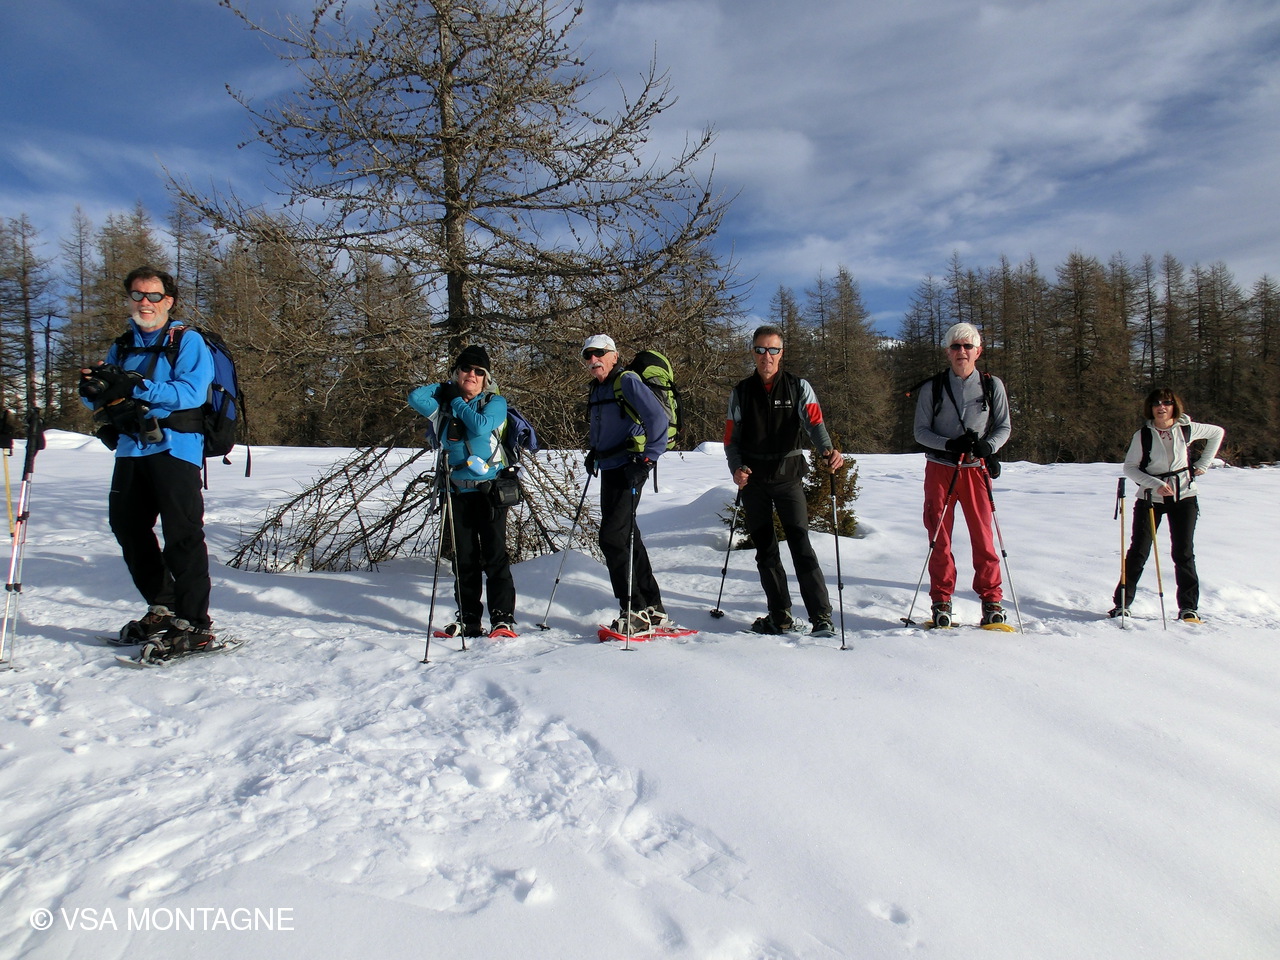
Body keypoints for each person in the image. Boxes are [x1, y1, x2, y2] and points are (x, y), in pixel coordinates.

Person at [79, 266, 217, 657]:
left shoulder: (187, 341)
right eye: (138, 295)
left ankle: (195, 623)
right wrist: (94, 389)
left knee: (182, 533)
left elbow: (191, 392)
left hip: (176, 447)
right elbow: (98, 399)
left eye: (154, 296)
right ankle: (163, 605)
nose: (145, 302)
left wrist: (138, 386)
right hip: (131, 448)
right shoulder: (122, 346)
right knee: (127, 525)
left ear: (168, 301)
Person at [724, 325, 845, 636]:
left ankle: (821, 617)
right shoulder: (741, 392)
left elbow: (815, 424)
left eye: (773, 350)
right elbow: (731, 440)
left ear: (781, 353)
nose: (767, 356)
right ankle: (780, 616)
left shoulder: (797, 387)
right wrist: (736, 468)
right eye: (761, 350)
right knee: (765, 550)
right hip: (754, 481)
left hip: (788, 477)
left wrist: (827, 450)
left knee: (800, 545)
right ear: (753, 352)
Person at [408, 345, 517, 639]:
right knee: (464, 559)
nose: (471, 375)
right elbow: (415, 397)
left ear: (486, 378)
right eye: (465, 369)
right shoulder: (443, 407)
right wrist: (445, 387)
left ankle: (502, 619)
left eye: (478, 371)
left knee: (494, 556)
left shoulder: (494, 403)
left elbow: (480, 427)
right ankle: (469, 618)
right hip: (457, 492)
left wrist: (455, 398)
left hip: (490, 491)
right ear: (457, 373)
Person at [913, 321, 1011, 627]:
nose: (962, 352)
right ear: (947, 352)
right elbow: (920, 431)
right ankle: (941, 599)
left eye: (968, 346)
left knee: (983, 537)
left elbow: (1004, 426)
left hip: (975, 470)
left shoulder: (992, 386)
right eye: (956, 346)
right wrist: (948, 444)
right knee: (939, 537)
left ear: (978, 351)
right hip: (940, 468)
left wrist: (988, 447)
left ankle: (992, 600)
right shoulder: (933, 387)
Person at [1111, 387, 1224, 622]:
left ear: (1174, 406)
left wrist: (1203, 464)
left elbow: (1217, 433)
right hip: (1150, 498)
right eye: (1156, 404)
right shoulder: (1143, 435)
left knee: (1183, 553)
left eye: (1166, 403)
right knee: (1139, 552)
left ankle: (1189, 608)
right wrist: (1155, 484)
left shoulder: (1186, 428)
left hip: (1184, 497)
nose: (1161, 407)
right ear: (1150, 408)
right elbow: (1130, 467)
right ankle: (1122, 604)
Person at [583, 334, 670, 635]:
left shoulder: (627, 381)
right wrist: (595, 451)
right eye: (588, 355)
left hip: (630, 467)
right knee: (627, 534)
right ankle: (653, 607)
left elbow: (657, 419)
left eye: (599, 353)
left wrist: (647, 460)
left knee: (612, 537)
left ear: (614, 356)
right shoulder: (598, 388)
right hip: (609, 466)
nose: (593, 359)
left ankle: (633, 610)